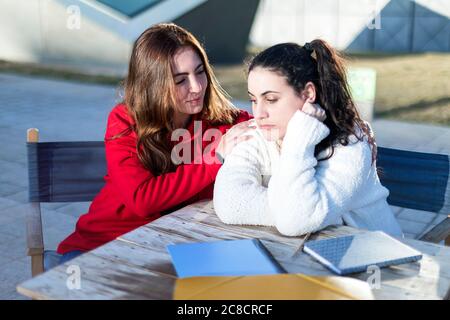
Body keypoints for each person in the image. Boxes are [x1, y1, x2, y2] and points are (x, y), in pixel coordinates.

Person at [56, 23, 253, 264]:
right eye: (180, 80)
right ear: (153, 84)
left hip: (175, 246)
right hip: (105, 245)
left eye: (200, 72)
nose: (197, 87)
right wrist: (215, 160)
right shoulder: (125, 120)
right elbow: (142, 199)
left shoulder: (220, 120)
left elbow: (273, 123)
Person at [213, 40, 403, 237]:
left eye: (271, 99)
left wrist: (299, 140)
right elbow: (229, 203)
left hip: (375, 254)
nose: (259, 113)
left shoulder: (351, 144)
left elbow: (293, 222)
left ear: (308, 94)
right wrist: (291, 209)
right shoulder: (258, 132)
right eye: (253, 99)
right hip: (305, 255)